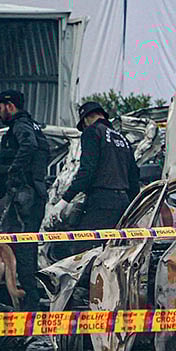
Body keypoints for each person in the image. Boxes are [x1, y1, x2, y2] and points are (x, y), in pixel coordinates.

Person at [0, 89, 50, 312]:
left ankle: (27, 303)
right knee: (26, 248)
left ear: (10, 105)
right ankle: (27, 299)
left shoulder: (21, 126)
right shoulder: (34, 126)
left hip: (24, 197)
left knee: (18, 248)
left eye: (0, 109)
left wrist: (14, 173)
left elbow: (29, 146)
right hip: (34, 195)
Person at [61, 101, 139, 254]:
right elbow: (134, 176)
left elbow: (87, 171)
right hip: (123, 203)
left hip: (102, 201)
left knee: (83, 252)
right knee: (113, 253)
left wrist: (65, 200)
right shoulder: (122, 139)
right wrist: (132, 206)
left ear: (85, 120)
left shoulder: (92, 132)